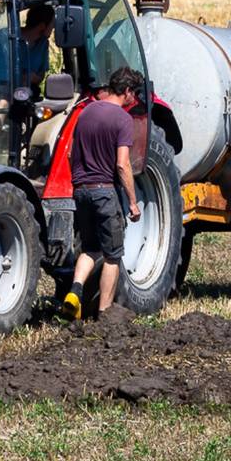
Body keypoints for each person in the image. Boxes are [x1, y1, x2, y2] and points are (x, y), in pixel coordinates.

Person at [60, 66, 145, 320]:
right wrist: (132, 201)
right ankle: (105, 313)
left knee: (89, 248)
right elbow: (122, 164)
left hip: (81, 192)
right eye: (135, 94)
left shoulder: (85, 113)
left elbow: (69, 153)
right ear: (127, 91)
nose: (135, 100)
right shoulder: (122, 120)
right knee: (112, 255)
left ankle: (74, 292)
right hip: (104, 192)